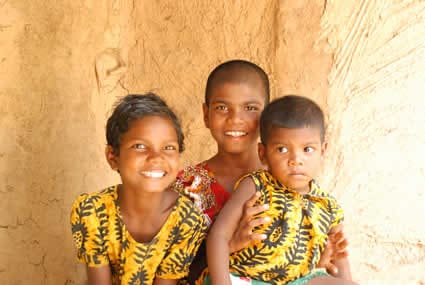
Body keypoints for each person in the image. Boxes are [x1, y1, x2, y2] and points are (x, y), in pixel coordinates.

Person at [174, 60, 348, 284]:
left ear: (266, 117)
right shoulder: (187, 187)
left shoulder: (294, 182)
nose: (236, 118)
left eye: (250, 108)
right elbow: (171, 268)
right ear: (206, 114)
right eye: (222, 107)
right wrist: (230, 246)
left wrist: (320, 265)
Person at [206, 95, 357, 285]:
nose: (296, 160)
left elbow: (339, 259)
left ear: (323, 151)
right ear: (263, 154)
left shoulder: (328, 206)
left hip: (296, 282)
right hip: (245, 279)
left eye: (307, 149)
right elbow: (218, 235)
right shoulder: (256, 185)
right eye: (282, 150)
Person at [70, 93, 207, 285]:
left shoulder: (187, 220)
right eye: (140, 146)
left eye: (168, 147)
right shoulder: (92, 211)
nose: (156, 158)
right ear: (113, 157)